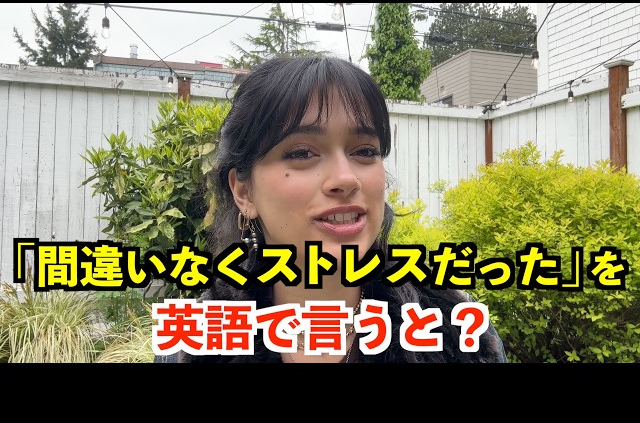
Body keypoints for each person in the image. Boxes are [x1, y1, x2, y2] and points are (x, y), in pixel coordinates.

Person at [159, 55, 508, 363]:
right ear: (244, 191)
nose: (346, 178)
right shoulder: (193, 345)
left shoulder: (457, 332)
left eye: (364, 151)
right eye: (302, 153)